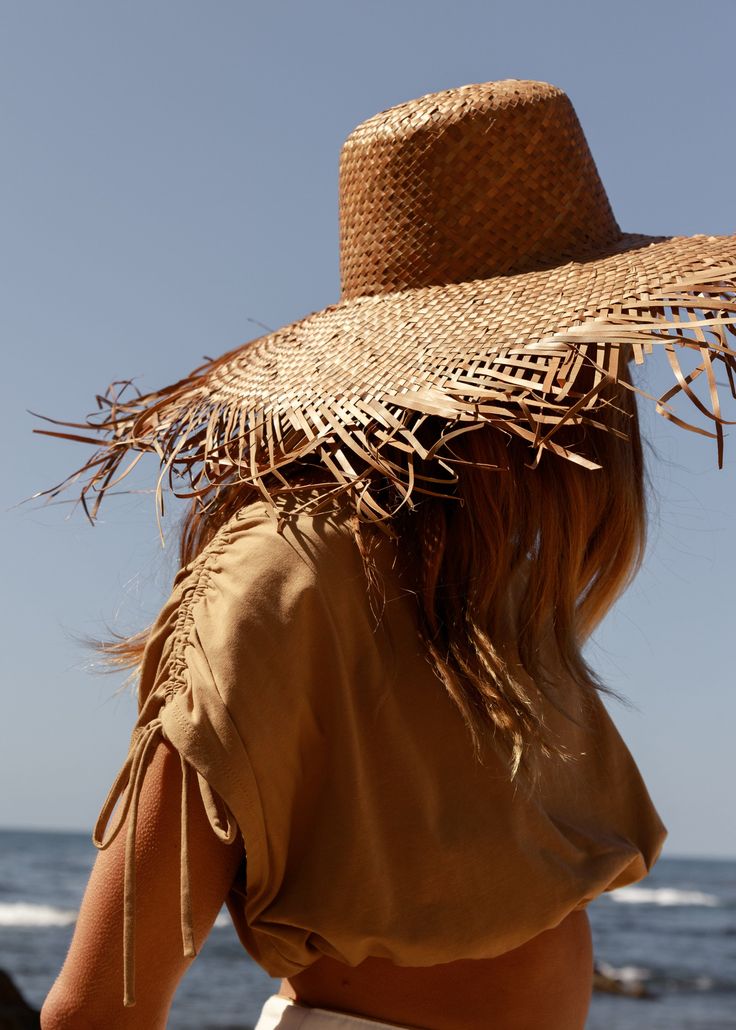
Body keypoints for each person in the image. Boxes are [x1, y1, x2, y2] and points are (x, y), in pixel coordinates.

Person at [36, 79, 735, 1030]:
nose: (608, 373)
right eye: (583, 345)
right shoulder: (286, 571)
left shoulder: (486, 590)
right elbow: (98, 1007)